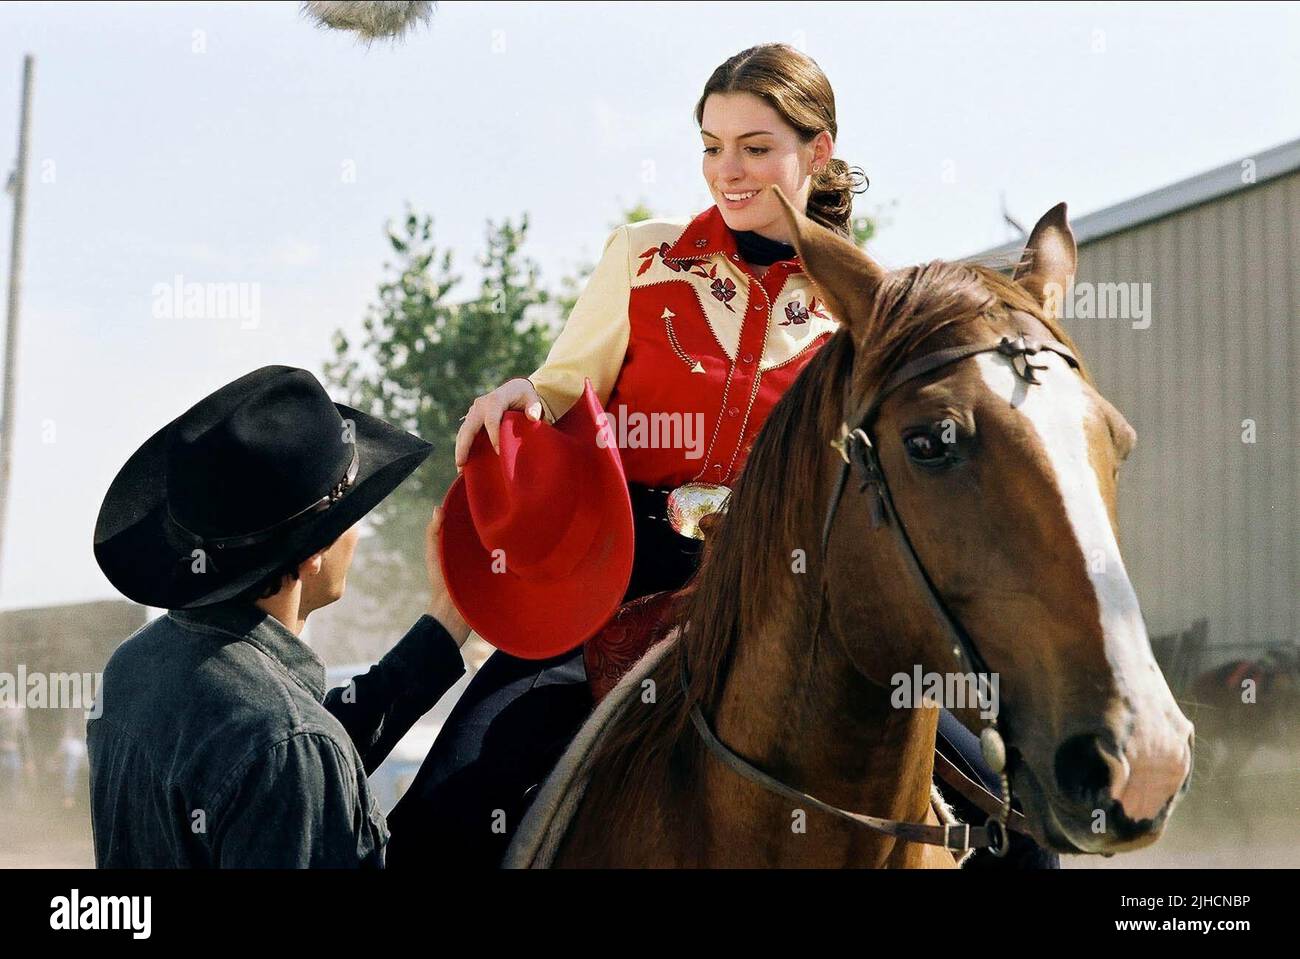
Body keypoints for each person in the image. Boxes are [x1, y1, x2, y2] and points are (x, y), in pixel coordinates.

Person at [389, 43, 1056, 869]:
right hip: (612, 590)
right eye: (711, 145)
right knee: (435, 825)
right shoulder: (641, 257)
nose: (726, 171)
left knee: (1020, 836)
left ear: (820, 151)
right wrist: (519, 397)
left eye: (754, 147)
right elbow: (559, 390)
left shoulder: (870, 310)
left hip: (799, 616)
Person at [88, 365, 471, 867]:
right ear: (313, 552)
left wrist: (448, 613)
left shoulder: (132, 669)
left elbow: (281, 756)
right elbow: (290, 753)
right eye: (353, 513)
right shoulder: (289, 743)